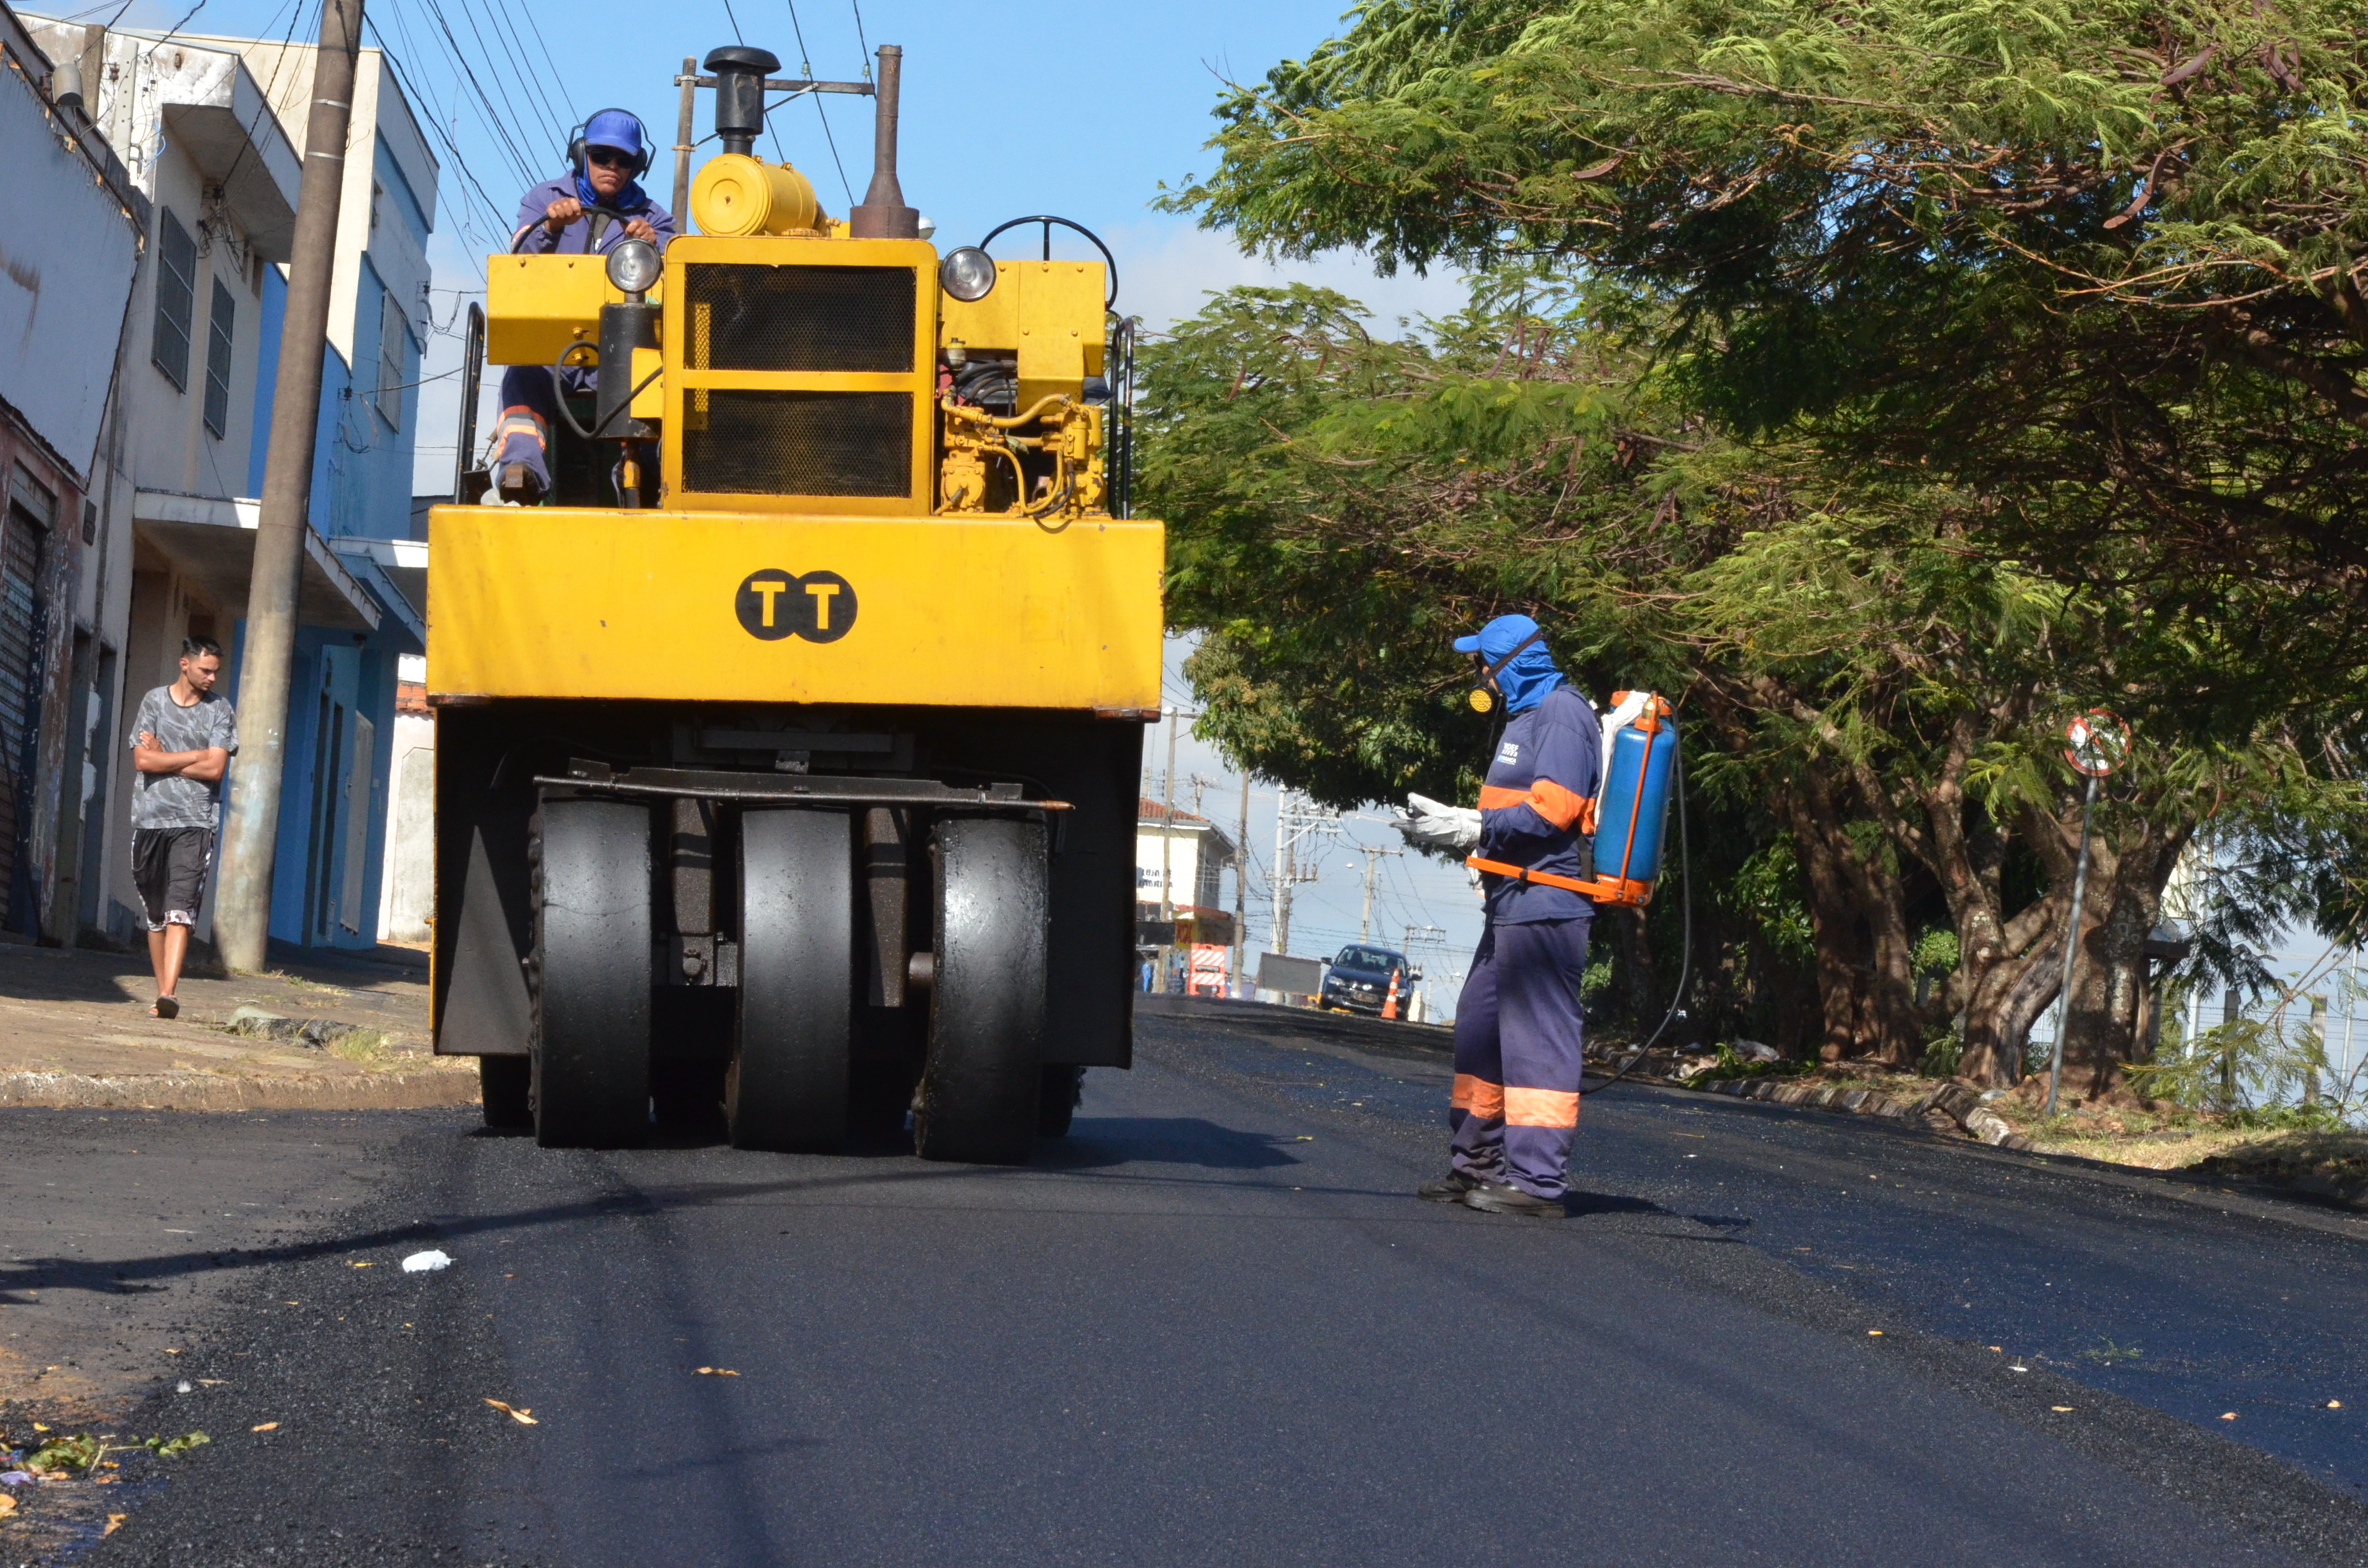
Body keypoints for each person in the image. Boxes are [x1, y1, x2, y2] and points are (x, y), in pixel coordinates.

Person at [1417, 614, 1601, 1218]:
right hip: (1509, 901)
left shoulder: (1563, 714)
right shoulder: (1524, 718)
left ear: (1509, 661)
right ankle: (1475, 1167)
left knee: (1537, 1042)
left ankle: (1538, 1184)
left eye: (1483, 662)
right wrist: (1480, 848)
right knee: (1478, 1027)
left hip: (1548, 903)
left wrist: (1476, 826)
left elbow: (1554, 811)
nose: (1480, 676)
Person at [493, 108, 678, 505]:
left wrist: (655, 248)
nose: (612, 167)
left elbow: (677, 283)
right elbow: (518, 262)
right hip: (551, 355)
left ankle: (643, 480)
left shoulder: (655, 220)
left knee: (656, 386)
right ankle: (521, 470)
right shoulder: (544, 201)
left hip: (619, 358)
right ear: (582, 154)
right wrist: (550, 228)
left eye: (624, 160)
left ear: (637, 166)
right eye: (601, 156)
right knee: (522, 376)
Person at [129, 637, 237, 1019]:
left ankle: (169, 993)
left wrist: (166, 756)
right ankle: (161, 994)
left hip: (196, 821)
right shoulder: (154, 702)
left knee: (181, 910)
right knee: (156, 913)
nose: (211, 678)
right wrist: (194, 754)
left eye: (216, 672)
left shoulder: (220, 710)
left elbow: (215, 769)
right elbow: (142, 761)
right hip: (150, 819)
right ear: (184, 665)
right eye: (205, 670)